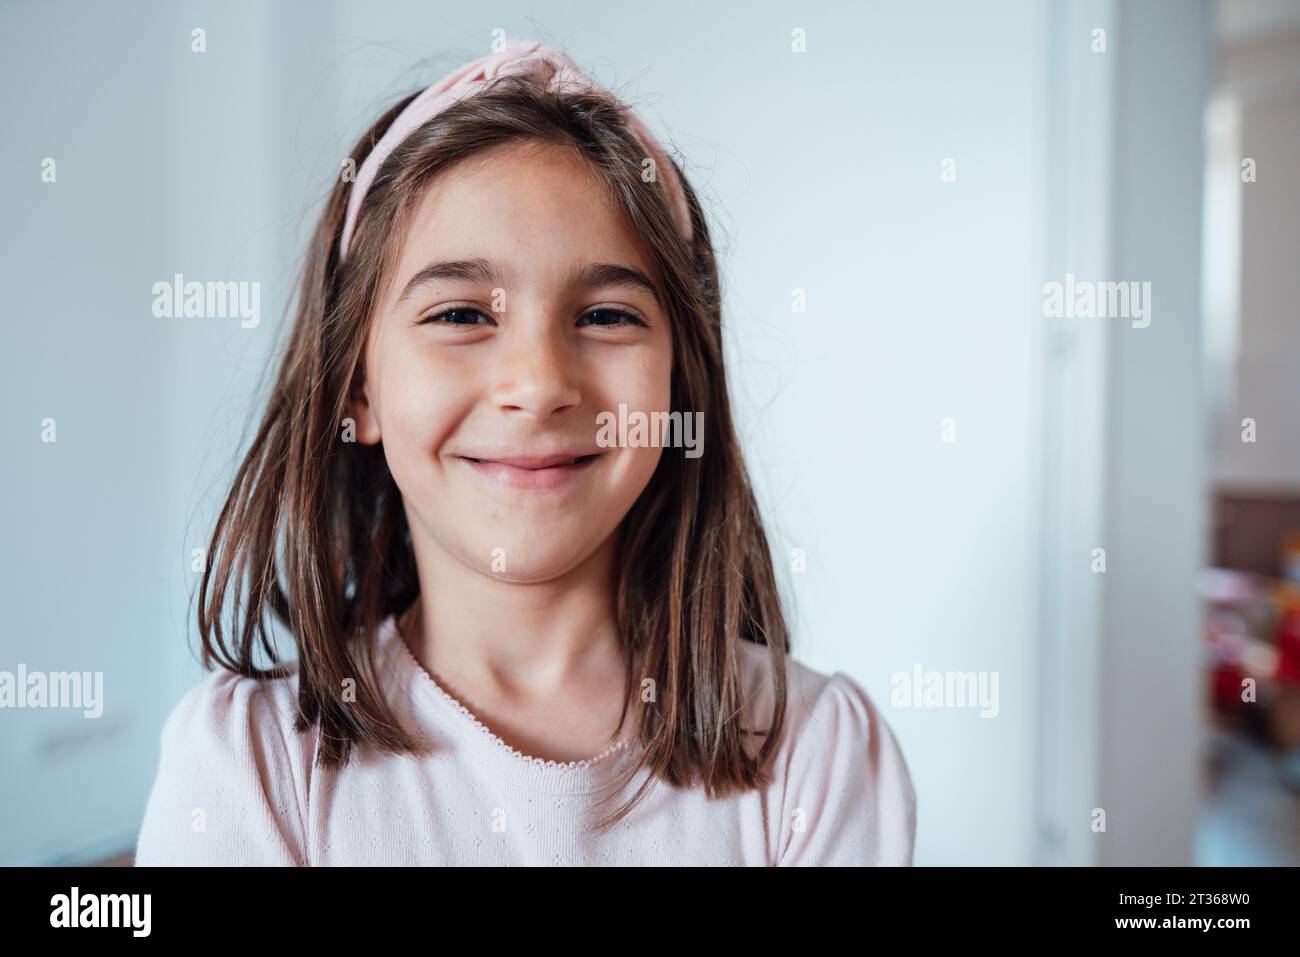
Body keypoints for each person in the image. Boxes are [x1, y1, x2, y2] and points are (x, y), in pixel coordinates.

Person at [134, 38, 916, 866]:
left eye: (608, 315)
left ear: (681, 384)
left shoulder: (812, 755)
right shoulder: (249, 767)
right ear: (355, 389)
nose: (539, 384)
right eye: (462, 314)